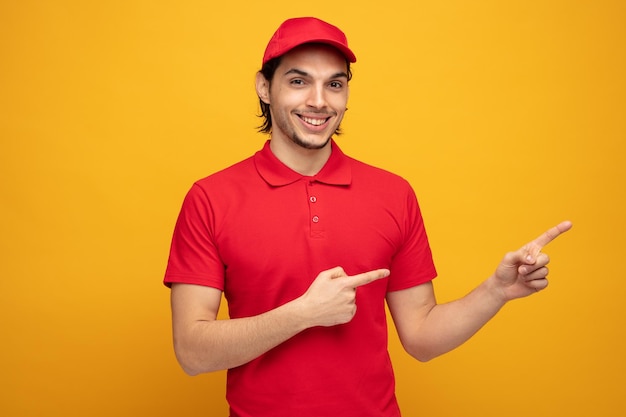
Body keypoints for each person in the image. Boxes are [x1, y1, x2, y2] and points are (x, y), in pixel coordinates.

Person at [163, 17, 572, 417]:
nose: (319, 101)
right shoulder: (210, 198)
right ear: (264, 87)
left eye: (335, 85)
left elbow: (422, 337)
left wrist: (495, 291)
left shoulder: (393, 194)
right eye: (299, 81)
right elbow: (192, 352)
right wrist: (301, 314)